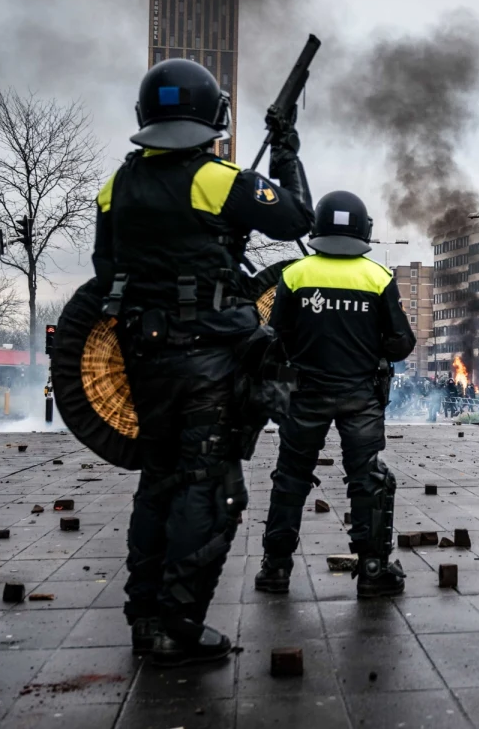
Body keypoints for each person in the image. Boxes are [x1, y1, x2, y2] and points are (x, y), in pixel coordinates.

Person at [92, 58, 313, 666]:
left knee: (159, 478)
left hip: (145, 355)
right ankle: (177, 625)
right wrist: (287, 151)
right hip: (209, 361)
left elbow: (105, 273)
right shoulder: (215, 179)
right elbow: (299, 218)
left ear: (146, 118)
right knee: (210, 488)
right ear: (214, 118)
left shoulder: (117, 184)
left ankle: (145, 620)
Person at [255, 190, 416, 598]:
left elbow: (277, 338)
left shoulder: (294, 275)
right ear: (364, 230)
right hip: (360, 395)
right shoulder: (377, 277)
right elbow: (401, 344)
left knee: (290, 478)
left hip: (304, 394)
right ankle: (374, 569)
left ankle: (275, 568)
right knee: (367, 480)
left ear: (318, 229)